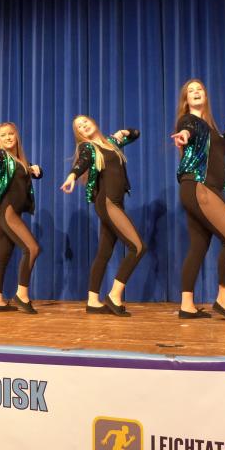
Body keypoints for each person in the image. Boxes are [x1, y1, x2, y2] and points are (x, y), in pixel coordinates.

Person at [171, 79, 225, 321]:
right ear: (186, 100)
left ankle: (187, 305)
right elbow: (188, 130)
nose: (195, 92)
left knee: (198, 246)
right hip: (199, 186)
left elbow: (219, 151)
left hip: (200, 188)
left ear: (205, 95)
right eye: (190, 91)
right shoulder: (189, 121)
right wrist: (184, 135)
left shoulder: (209, 126)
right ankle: (224, 300)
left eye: (199, 89)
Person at [60, 116, 144, 317]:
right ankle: (114, 296)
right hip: (107, 203)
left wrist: (124, 132)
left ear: (94, 122)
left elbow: (136, 134)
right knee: (138, 247)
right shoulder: (88, 147)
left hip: (116, 202)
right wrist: (72, 176)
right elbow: (81, 163)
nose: (84, 126)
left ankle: (92, 301)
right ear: (79, 134)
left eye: (85, 122)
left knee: (104, 252)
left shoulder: (111, 142)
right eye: (79, 127)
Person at [0, 122, 42, 313]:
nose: (8, 137)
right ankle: (22, 295)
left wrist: (36, 169)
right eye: (3, 135)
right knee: (32, 248)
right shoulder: (1, 155)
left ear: (16, 136)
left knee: (2, 257)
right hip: (7, 212)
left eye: (11, 134)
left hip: (8, 213)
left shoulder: (19, 160)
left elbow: (35, 172)